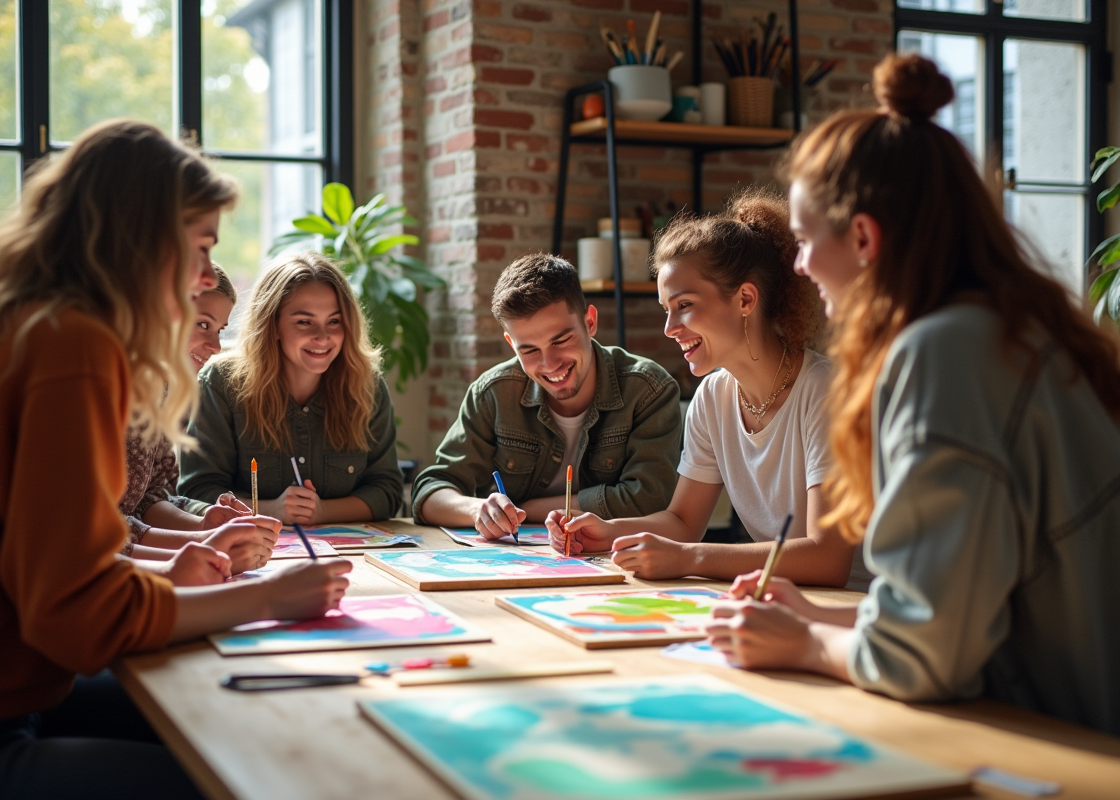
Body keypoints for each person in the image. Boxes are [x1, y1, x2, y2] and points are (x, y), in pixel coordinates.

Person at [0, 119, 351, 800]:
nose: (207, 277)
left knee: (235, 721)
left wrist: (180, 566)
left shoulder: (23, 324)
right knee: (260, 775)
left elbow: (50, 565)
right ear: (142, 238)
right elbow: (78, 618)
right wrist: (264, 598)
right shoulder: (74, 348)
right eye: (202, 249)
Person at [705, 54, 1120, 736]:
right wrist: (814, 614)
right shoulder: (1006, 326)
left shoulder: (944, 353)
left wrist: (804, 644)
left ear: (864, 238)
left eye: (807, 241)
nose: (801, 266)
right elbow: (954, 609)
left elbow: (922, 656)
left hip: (1070, 744)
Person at [549, 191, 869, 589]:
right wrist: (607, 530)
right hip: (786, 600)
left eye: (684, 305)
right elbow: (682, 521)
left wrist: (690, 557)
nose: (669, 328)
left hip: (860, 609)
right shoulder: (713, 396)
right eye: (667, 309)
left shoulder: (825, 392)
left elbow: (827, 558)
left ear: (745, 299)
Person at [411, 253, 682, 538]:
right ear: (511, 344)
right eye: (528, 350)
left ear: (590, 322)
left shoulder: (649, 389)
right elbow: (429, 492)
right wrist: (478, 510)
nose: (550, 364)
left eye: (561, 340)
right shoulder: (493, 393)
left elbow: (649, 500)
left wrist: (527, 508)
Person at [179, 252, 404, 524]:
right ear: (272, 325)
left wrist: (322, 512)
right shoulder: (221, 384)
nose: (322, 336)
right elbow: (197, 492)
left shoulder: (368, 387)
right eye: (304, 322)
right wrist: (270, 510)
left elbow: (388, 491)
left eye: (334, 321)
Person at [121, 264, 272, 585]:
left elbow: (146, 498)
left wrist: (203, 524)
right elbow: (89, 531)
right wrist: (206, 547)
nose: (216, 346)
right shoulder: (111, 387)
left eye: (219, 330)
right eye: (203, 324)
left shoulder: (166, 389)